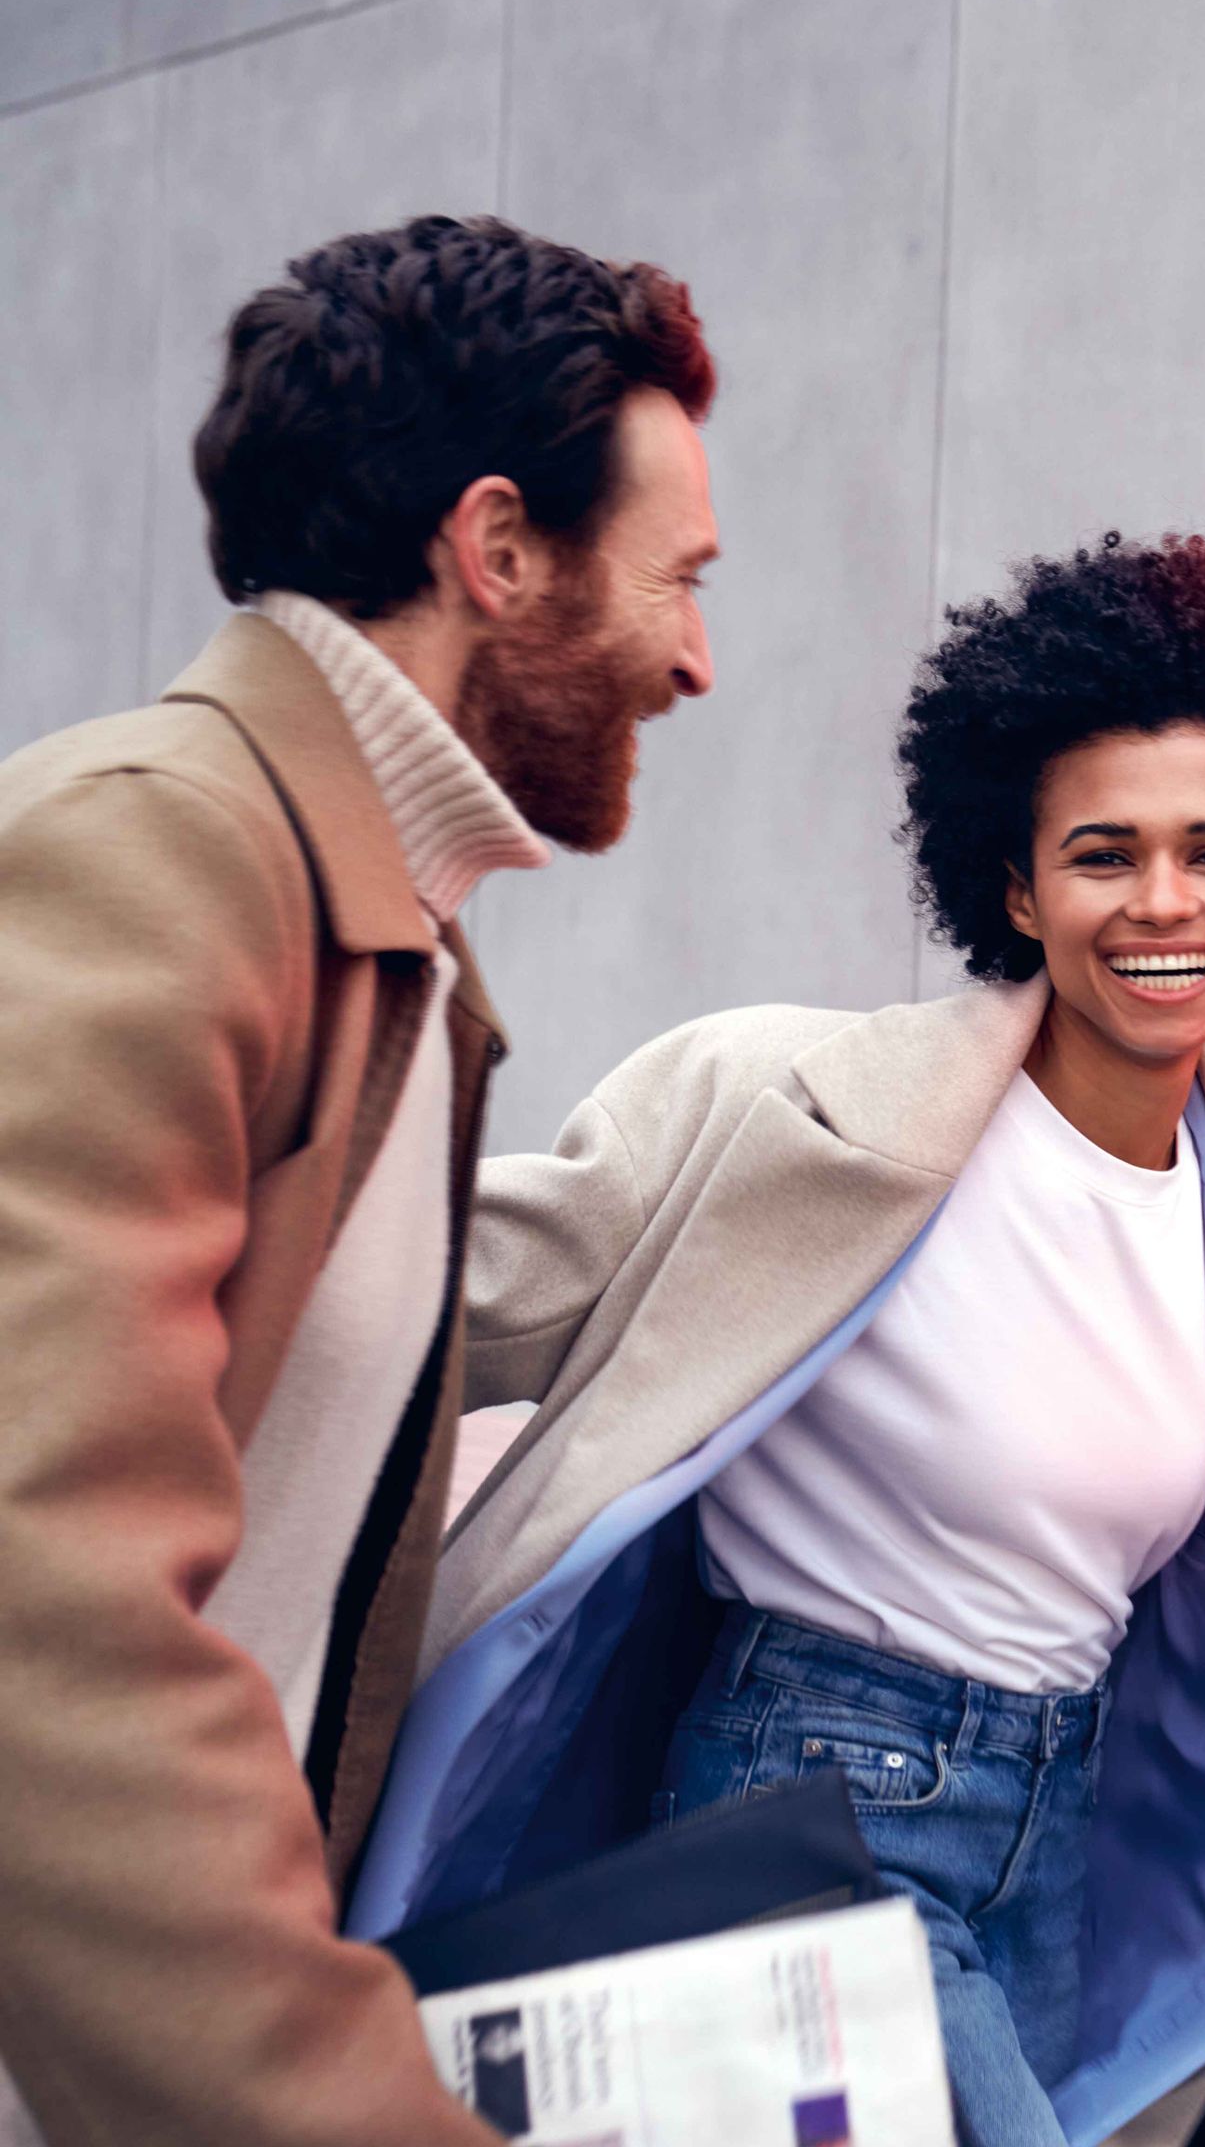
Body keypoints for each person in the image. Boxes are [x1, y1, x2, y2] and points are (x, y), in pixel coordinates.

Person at [361, 534, 1205, 2147]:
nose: (1160, 903)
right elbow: (432, 1291)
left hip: (1050, 1840)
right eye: (1100, 853)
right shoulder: (786, 1110)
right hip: (808, 1808)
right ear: (1016, 884)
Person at [0, 214, 718, 2146]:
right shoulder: (156, 858)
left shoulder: (393, 951)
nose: (698, 661)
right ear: (496, 552)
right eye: (679, 580)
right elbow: (43, 1604)